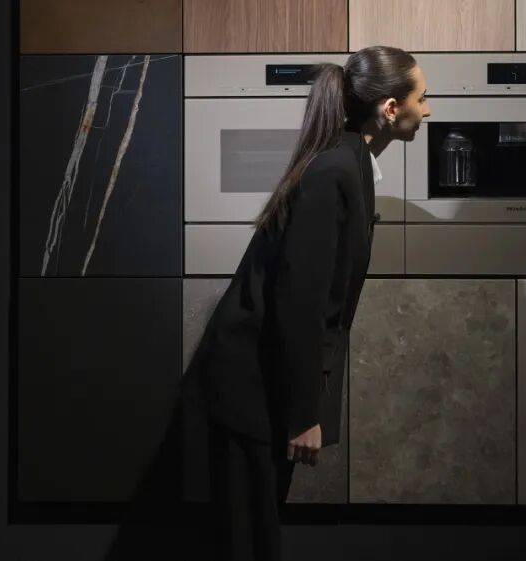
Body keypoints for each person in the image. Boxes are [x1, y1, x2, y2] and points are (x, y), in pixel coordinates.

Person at [181, 45, 431, 561]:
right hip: (251, 385)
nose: (427, 110)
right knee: (248, 539)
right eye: (422, 98)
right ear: (390, 109)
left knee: (252, 531)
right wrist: (303, 415)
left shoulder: (349, 163)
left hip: (261, 382)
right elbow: (301, 301)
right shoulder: (335, 171)